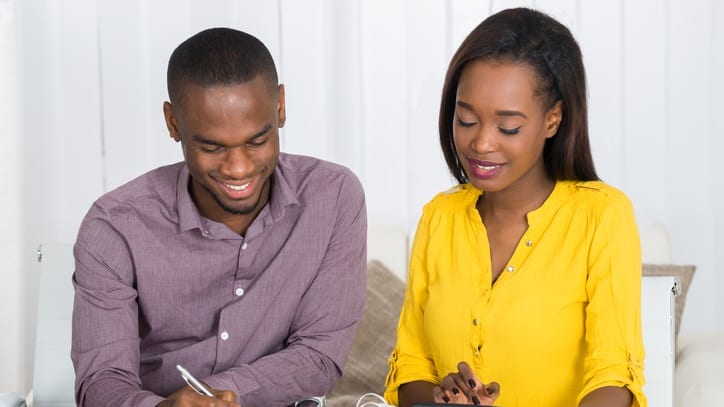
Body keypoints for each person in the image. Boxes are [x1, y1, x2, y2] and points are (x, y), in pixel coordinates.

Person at [71, 27, 367, 407]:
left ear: (280, 107)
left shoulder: (334, 196)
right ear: (173, 123)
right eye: (211, 147)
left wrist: (216, 396)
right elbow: (101, 383)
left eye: (257, 141)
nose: (239, 168)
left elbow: (320, 356)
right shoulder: (113, 228)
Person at [384, 8, 646, 407]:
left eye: (508, 127)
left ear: (553, 120)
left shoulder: (602, 216)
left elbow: (614, 378)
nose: (482, 143)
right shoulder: (440, 217)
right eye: (466, 119)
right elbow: (411, 366)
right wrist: (443, 399)